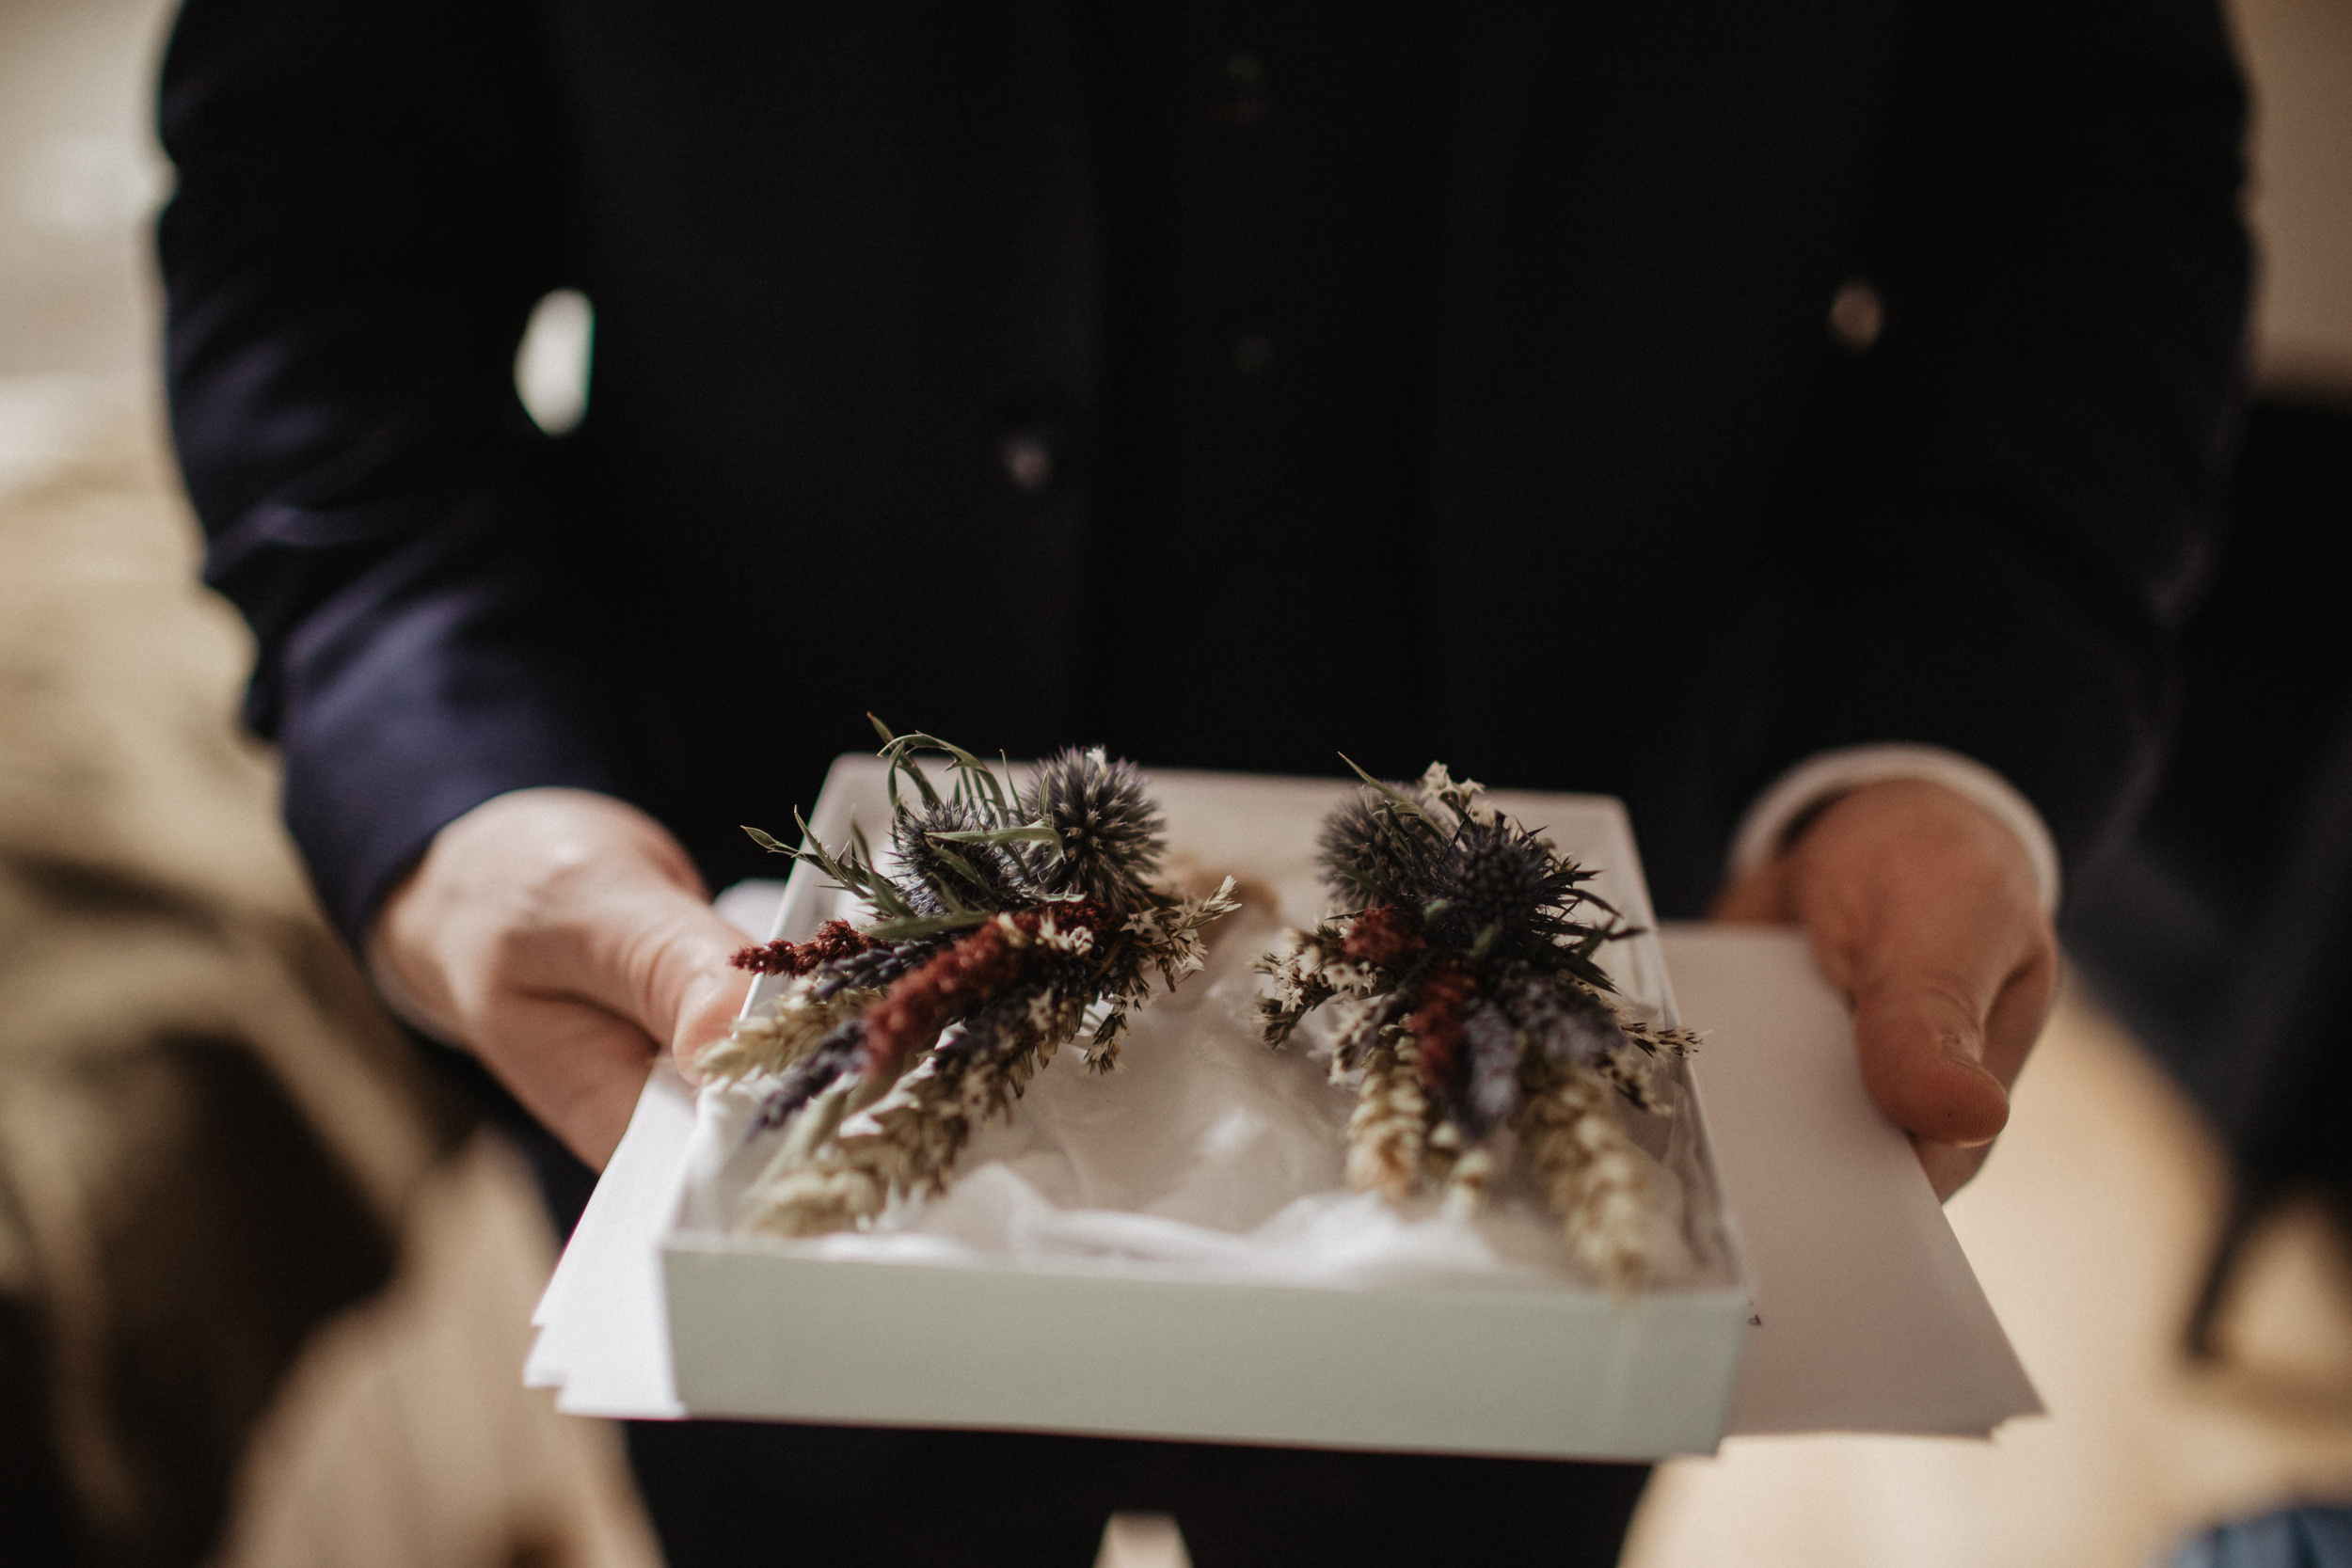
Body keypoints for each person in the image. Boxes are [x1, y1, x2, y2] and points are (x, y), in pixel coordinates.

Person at [156, 1, 2249, 1561]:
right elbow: (322, 207)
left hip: (1587, 1028)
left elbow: (2079, 184)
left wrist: (1929, 731)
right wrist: (465, 783)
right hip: (753, 990)